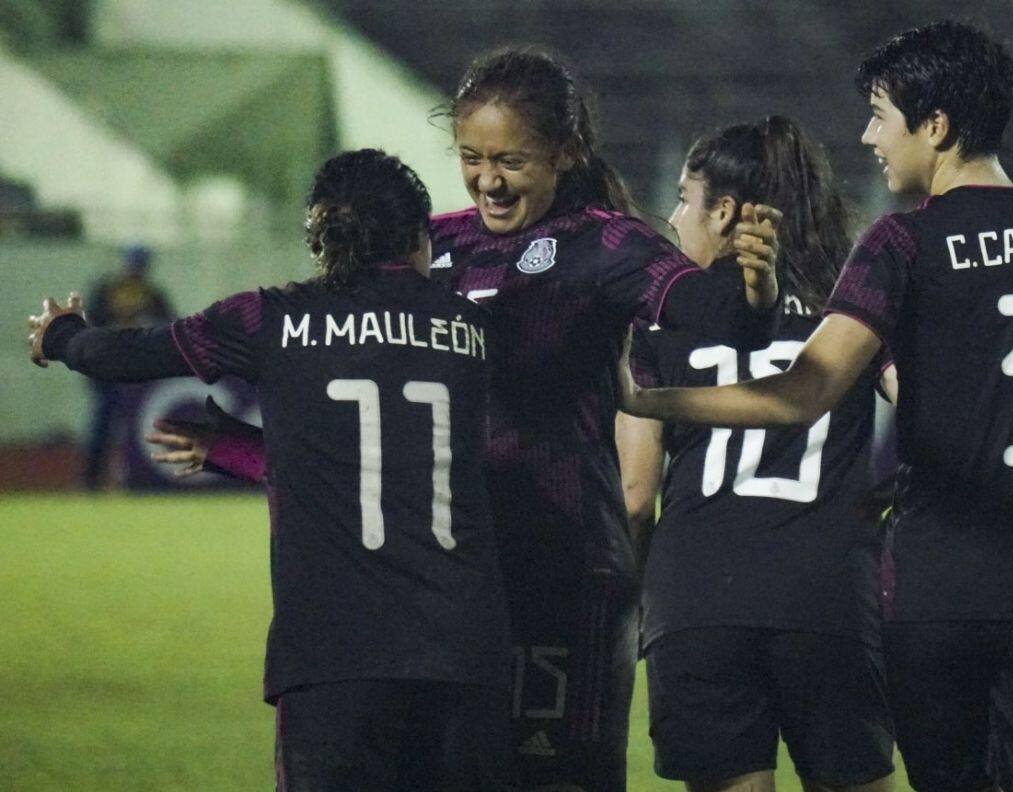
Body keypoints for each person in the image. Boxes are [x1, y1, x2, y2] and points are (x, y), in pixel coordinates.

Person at [147, 48, 783, 792]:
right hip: (445, 593)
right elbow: (355, 418)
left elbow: (723, 320)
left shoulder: (609, 244)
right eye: (471, 157)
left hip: (564, 570)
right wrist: (238, 448)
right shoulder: (428, 244)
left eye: (510, 159)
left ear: (564, 151)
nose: (487, 178)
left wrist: (756, 293)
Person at [618, 21, 1013, 792]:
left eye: (881, 115)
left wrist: (641, 397)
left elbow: (804, 390)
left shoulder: (900, 243)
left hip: (940, 592)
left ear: (937, 126)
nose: (868, 136)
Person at [29, 149, 517, 791]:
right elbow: (399, 464)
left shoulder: (273, 319)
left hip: (333, 653)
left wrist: (63, 334)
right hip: (466, 652)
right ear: (418, 239)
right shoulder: (474, 331)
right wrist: (233, 447)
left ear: (321, 239)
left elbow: (126, 355)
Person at [616, 116, 895, 792]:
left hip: (697, 597)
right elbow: (927, 409)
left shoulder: (660, 315)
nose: (675, 215)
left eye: (686, 197)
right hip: (826, 593)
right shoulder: (851, 306)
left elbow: (633, 493)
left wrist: (635, 599)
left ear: (726, 212)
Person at [81, 244, 174, 489]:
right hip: (106, 366)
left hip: (135, 370)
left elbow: (170, 325)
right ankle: (92, 478)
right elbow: (91, 325)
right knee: (103, 420)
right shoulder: (107, 290)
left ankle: (126, 477)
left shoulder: (152, 294)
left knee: (128, 424)